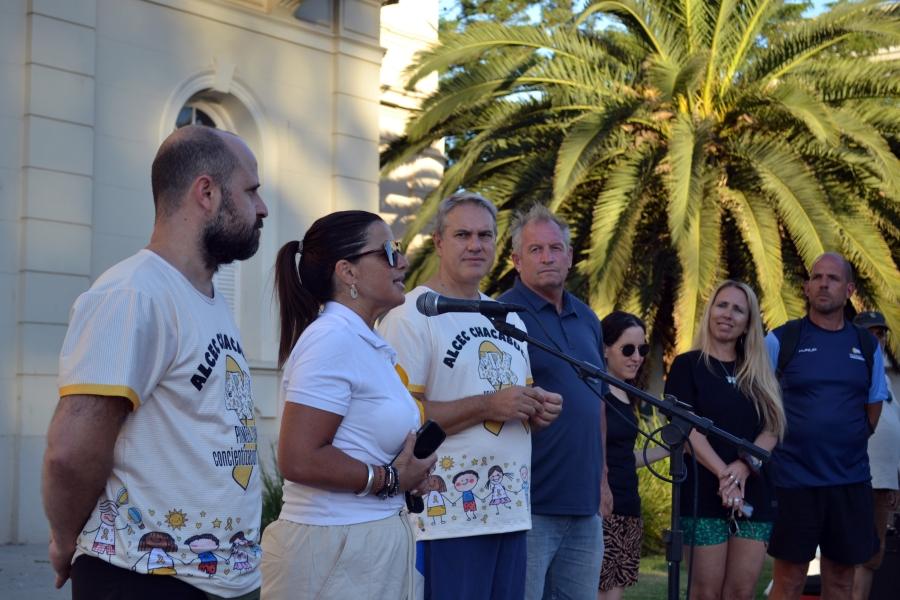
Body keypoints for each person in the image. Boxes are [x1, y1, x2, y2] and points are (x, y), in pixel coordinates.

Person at [42, 125, 269, 600]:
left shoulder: (206, 299)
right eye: (251, 191)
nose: (262, 208)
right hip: (146, 579)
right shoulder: (133, 294)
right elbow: (70, 452)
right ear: (206, 193)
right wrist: (66, 541)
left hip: (219, 578)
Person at [377, 192, 562, 600]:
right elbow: (399, 419)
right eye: (463, 234)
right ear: (439, 242)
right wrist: (487, 405)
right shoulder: (411, 314)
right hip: (446, 520)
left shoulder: (507, 316)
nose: (475, 245)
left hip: (510, 512)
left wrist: (536, 407)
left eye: (485, 235)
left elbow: (516, 400)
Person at [260, 210, 436, 599]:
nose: (403, 261)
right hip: (334, 553)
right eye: (390, 251)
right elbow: (299, 458)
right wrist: (390, 480)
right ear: (348, 272)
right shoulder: (331, 341)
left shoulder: (363, 343)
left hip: (365, 548)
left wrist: (405, 474)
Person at [495, 205, 610, 599]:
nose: (547, 257)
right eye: (536, 249)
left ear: (570, 256)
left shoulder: (588, 319)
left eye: (555, 248)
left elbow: (597, 402)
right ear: (516, 259)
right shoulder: (501, 315)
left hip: (584, 506)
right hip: (528, 505)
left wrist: (603, 481)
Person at [765, 253, 888, 600]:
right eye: (816, 277)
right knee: (789, 580)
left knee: (840, 581)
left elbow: (874, 401)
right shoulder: (780, 340)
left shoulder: (866, 345)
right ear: (805, 287)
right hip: (793, 482)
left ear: (848, 289)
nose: (823, 283)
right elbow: (761, 401)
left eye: (832, 278)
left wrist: (849, 436)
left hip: (849, 482)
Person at [665, 280, 786, 600]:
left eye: (738, 309)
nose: (728, 314)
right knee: (705, 592)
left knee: (740, 592)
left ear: (749, 322)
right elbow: (686, 427)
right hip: (702, 495)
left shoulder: (759, 371)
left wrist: (744, 468)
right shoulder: (687, 365)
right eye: (722, 305)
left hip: (754, 495)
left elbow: (772, 427)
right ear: (709, 312)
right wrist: (725, 474)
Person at [597, 311, 669, 600]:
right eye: (628, 349)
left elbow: (625, 457)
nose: (637, 357)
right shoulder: (597, 393)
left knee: (614, 595)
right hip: (602, 509)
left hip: (628, 507)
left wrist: (668, 448)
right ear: (605, 350)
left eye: (642, 349)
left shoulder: (627, 394)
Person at [851, 311, 899, 600]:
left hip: (882, 482)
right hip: (856, 477)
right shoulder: (850, 369)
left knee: (871, 555)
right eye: (870, 333)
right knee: (850, 552)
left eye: (880, 334)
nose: (877, 339)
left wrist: (894, 478)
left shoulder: (886, 378)